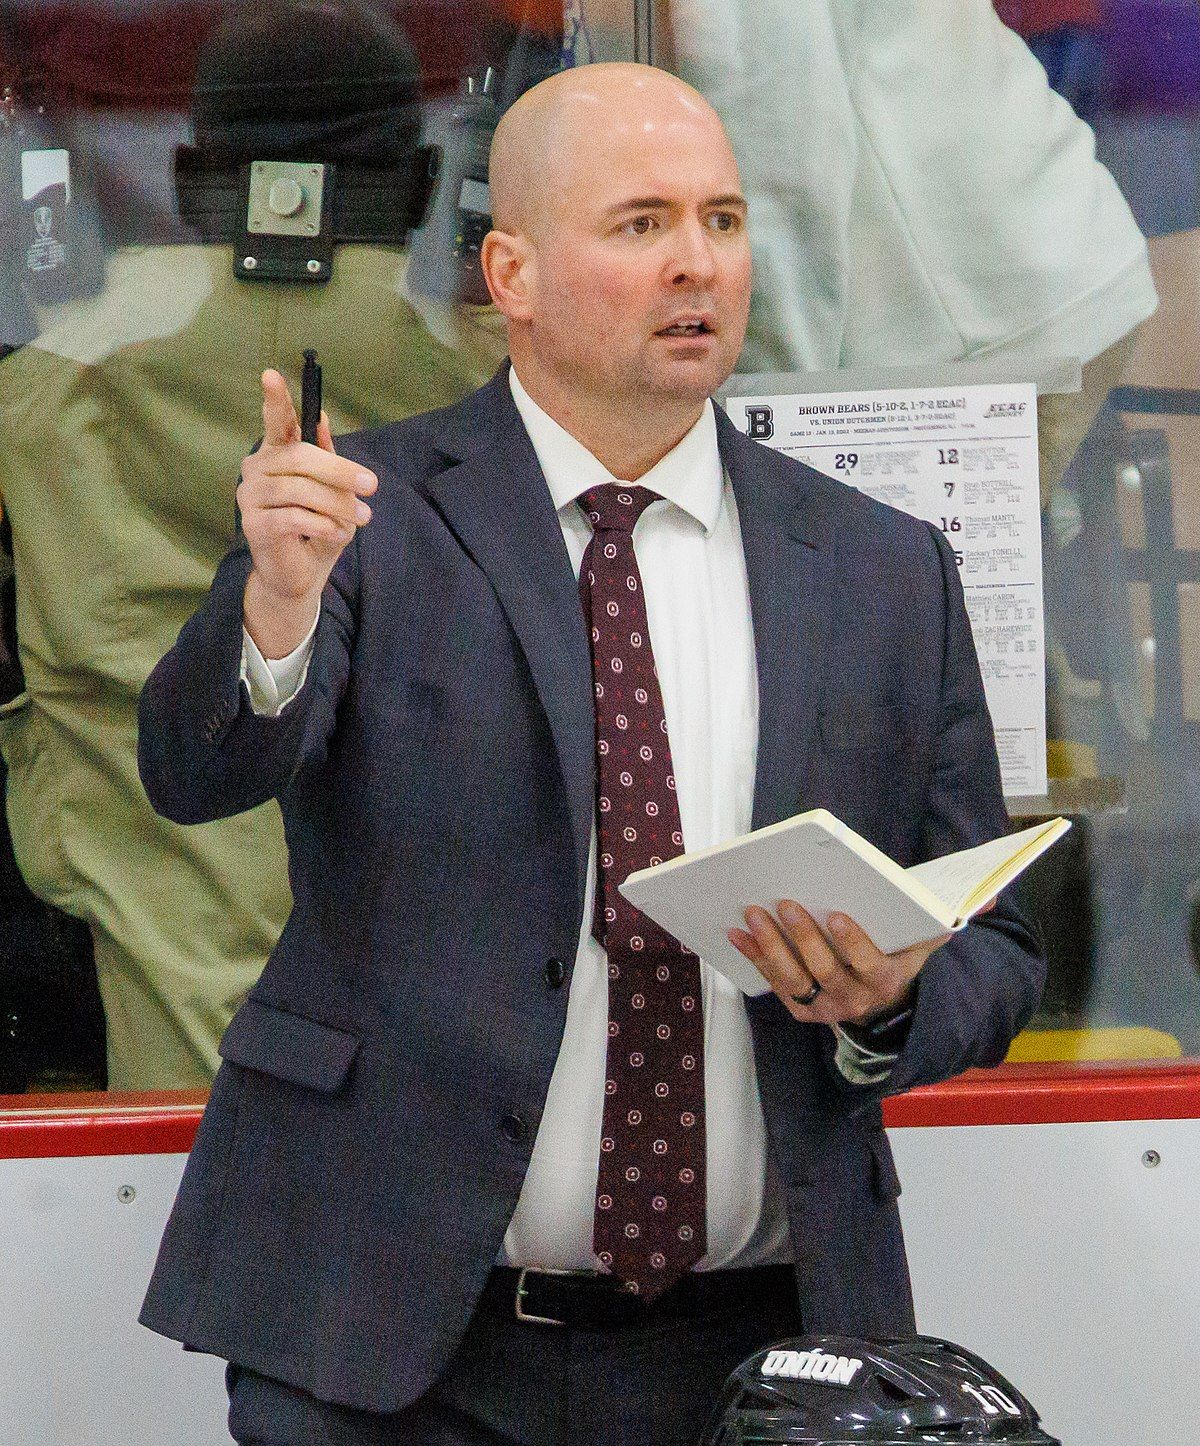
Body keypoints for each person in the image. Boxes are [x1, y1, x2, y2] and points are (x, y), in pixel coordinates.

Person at [137, 63, 1044, 1446]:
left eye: (725, 221)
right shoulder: (366, 522)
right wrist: (272, 604)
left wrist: (893, 993)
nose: (698, 262)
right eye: (640, 225)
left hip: (759, 1353)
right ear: (514, 270)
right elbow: (196, 771)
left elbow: (999, 940)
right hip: (388, 1338)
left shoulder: (880, 569)